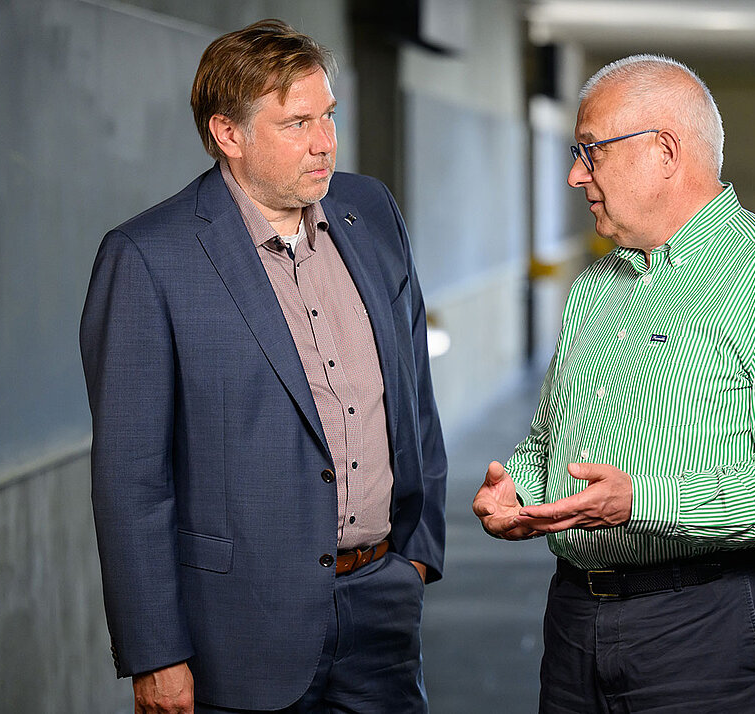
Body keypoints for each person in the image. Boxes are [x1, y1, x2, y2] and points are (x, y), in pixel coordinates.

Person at [81, 19, 446, 714]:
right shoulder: (150, 258)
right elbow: (131, 480)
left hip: (382, 609)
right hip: (236, 634)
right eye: (296, 122)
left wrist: (417, 553)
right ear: (229, 134)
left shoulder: (372, 212)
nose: (324, 142)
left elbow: (414, 395)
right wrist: (156, 652)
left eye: (328, 115)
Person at [473, 54, 755, 714]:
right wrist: (520, 491)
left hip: (715, 631)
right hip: (575, 627)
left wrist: (642, 499)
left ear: (664, 151)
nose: (573, 175)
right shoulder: (594, 289)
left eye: (590, 151)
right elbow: (545, 443)